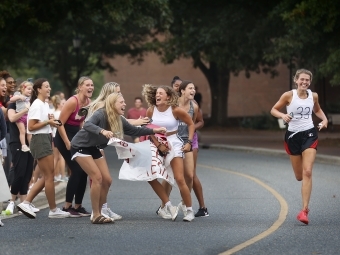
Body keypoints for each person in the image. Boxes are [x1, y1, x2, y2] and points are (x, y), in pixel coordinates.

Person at [70, 92, 167, 224]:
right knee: (97, 178)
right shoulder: (101, 113)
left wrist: (155, 131)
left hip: (93, 147)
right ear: (112, 103)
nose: (124, 104)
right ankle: (96, 215)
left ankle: (102, 210)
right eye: (121, 102)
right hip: (80, 146)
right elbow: (87, 124)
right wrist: (102, 131)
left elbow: (134, 131)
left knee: (107, 180)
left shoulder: (118, 118)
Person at [270, 69, 328, 225]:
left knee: (307, 171)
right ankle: (304, 201)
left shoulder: (313, 95)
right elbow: (273, 109)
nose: (304, 82)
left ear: (310, 82)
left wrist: (324, 119)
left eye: (307, 80)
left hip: (309, 134)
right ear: (296, 80)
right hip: (293, 137)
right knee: (299, 176)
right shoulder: (289, 95)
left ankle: (304, 210)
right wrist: (283, 115)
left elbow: (317, 109)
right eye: (302, 79)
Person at [17, 78, 70, 219]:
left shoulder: (45, 105)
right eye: (46, 86)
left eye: (49, 86)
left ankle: (27, 202)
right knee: (49, 176)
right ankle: (52, 210)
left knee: (48, 176)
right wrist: (47, 121)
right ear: (39, 89)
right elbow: (31, 126)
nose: (49, 88)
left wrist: (51, 122)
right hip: (39, 139)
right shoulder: (37, 104)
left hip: (46, 138)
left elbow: (45, 124)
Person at [142, 84, 196, 222]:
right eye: (156, 93)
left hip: (174, 143)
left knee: (179, 178)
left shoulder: (175, 110)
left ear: (168, 96)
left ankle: (189, 210)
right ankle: (165, 206)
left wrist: (189, 142)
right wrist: (158, 144)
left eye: (161, 93)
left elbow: (191, 124)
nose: (157, 95)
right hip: (157, 144)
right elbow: (147, 128)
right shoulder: (150, 111)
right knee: (158, 177)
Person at [54, 76, 93, 217]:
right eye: (87, 85)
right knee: (76, 169)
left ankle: (78, 206)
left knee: (84, 170)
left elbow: (81, 123)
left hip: (76, 137)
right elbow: (59, 123)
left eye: (92, 85)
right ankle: (66, 206)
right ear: (80, 87)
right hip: (63, 136)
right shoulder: (72, 102)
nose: (90, 87)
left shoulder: (89, 103)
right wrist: (66, 142)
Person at [171, 76, 208, 217]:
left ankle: (192, 205)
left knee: (191, 174)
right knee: (173, 175)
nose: (193, 90)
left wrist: (190, 134)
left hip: (190, 140)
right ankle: (165, 205)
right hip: (175, 140)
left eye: (194, 88)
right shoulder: (173, 104)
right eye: (190, 88)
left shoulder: (194, 105)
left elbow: (195, 123)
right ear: (181, 91)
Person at [9, 81, 33, 152]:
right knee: (22, 131)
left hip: (28, 116)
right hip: (20, 116)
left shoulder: (30, 97)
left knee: (29, 132)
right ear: (23, 89)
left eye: (31, 89)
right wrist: (19, 97)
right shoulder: (18, 94)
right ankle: (23, 145)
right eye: (28, 89)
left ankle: (31, 146)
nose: (30, 91)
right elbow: (11, 99)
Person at [49, 95, 67, 182]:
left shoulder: (54, 112)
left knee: (55, 157)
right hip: (59, 136)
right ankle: (62, 175)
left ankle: (54, 175)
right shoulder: (60, 113)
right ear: (59, 104)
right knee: (60, 157)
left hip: (54, 135)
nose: (65, 105)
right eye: (63, 103)